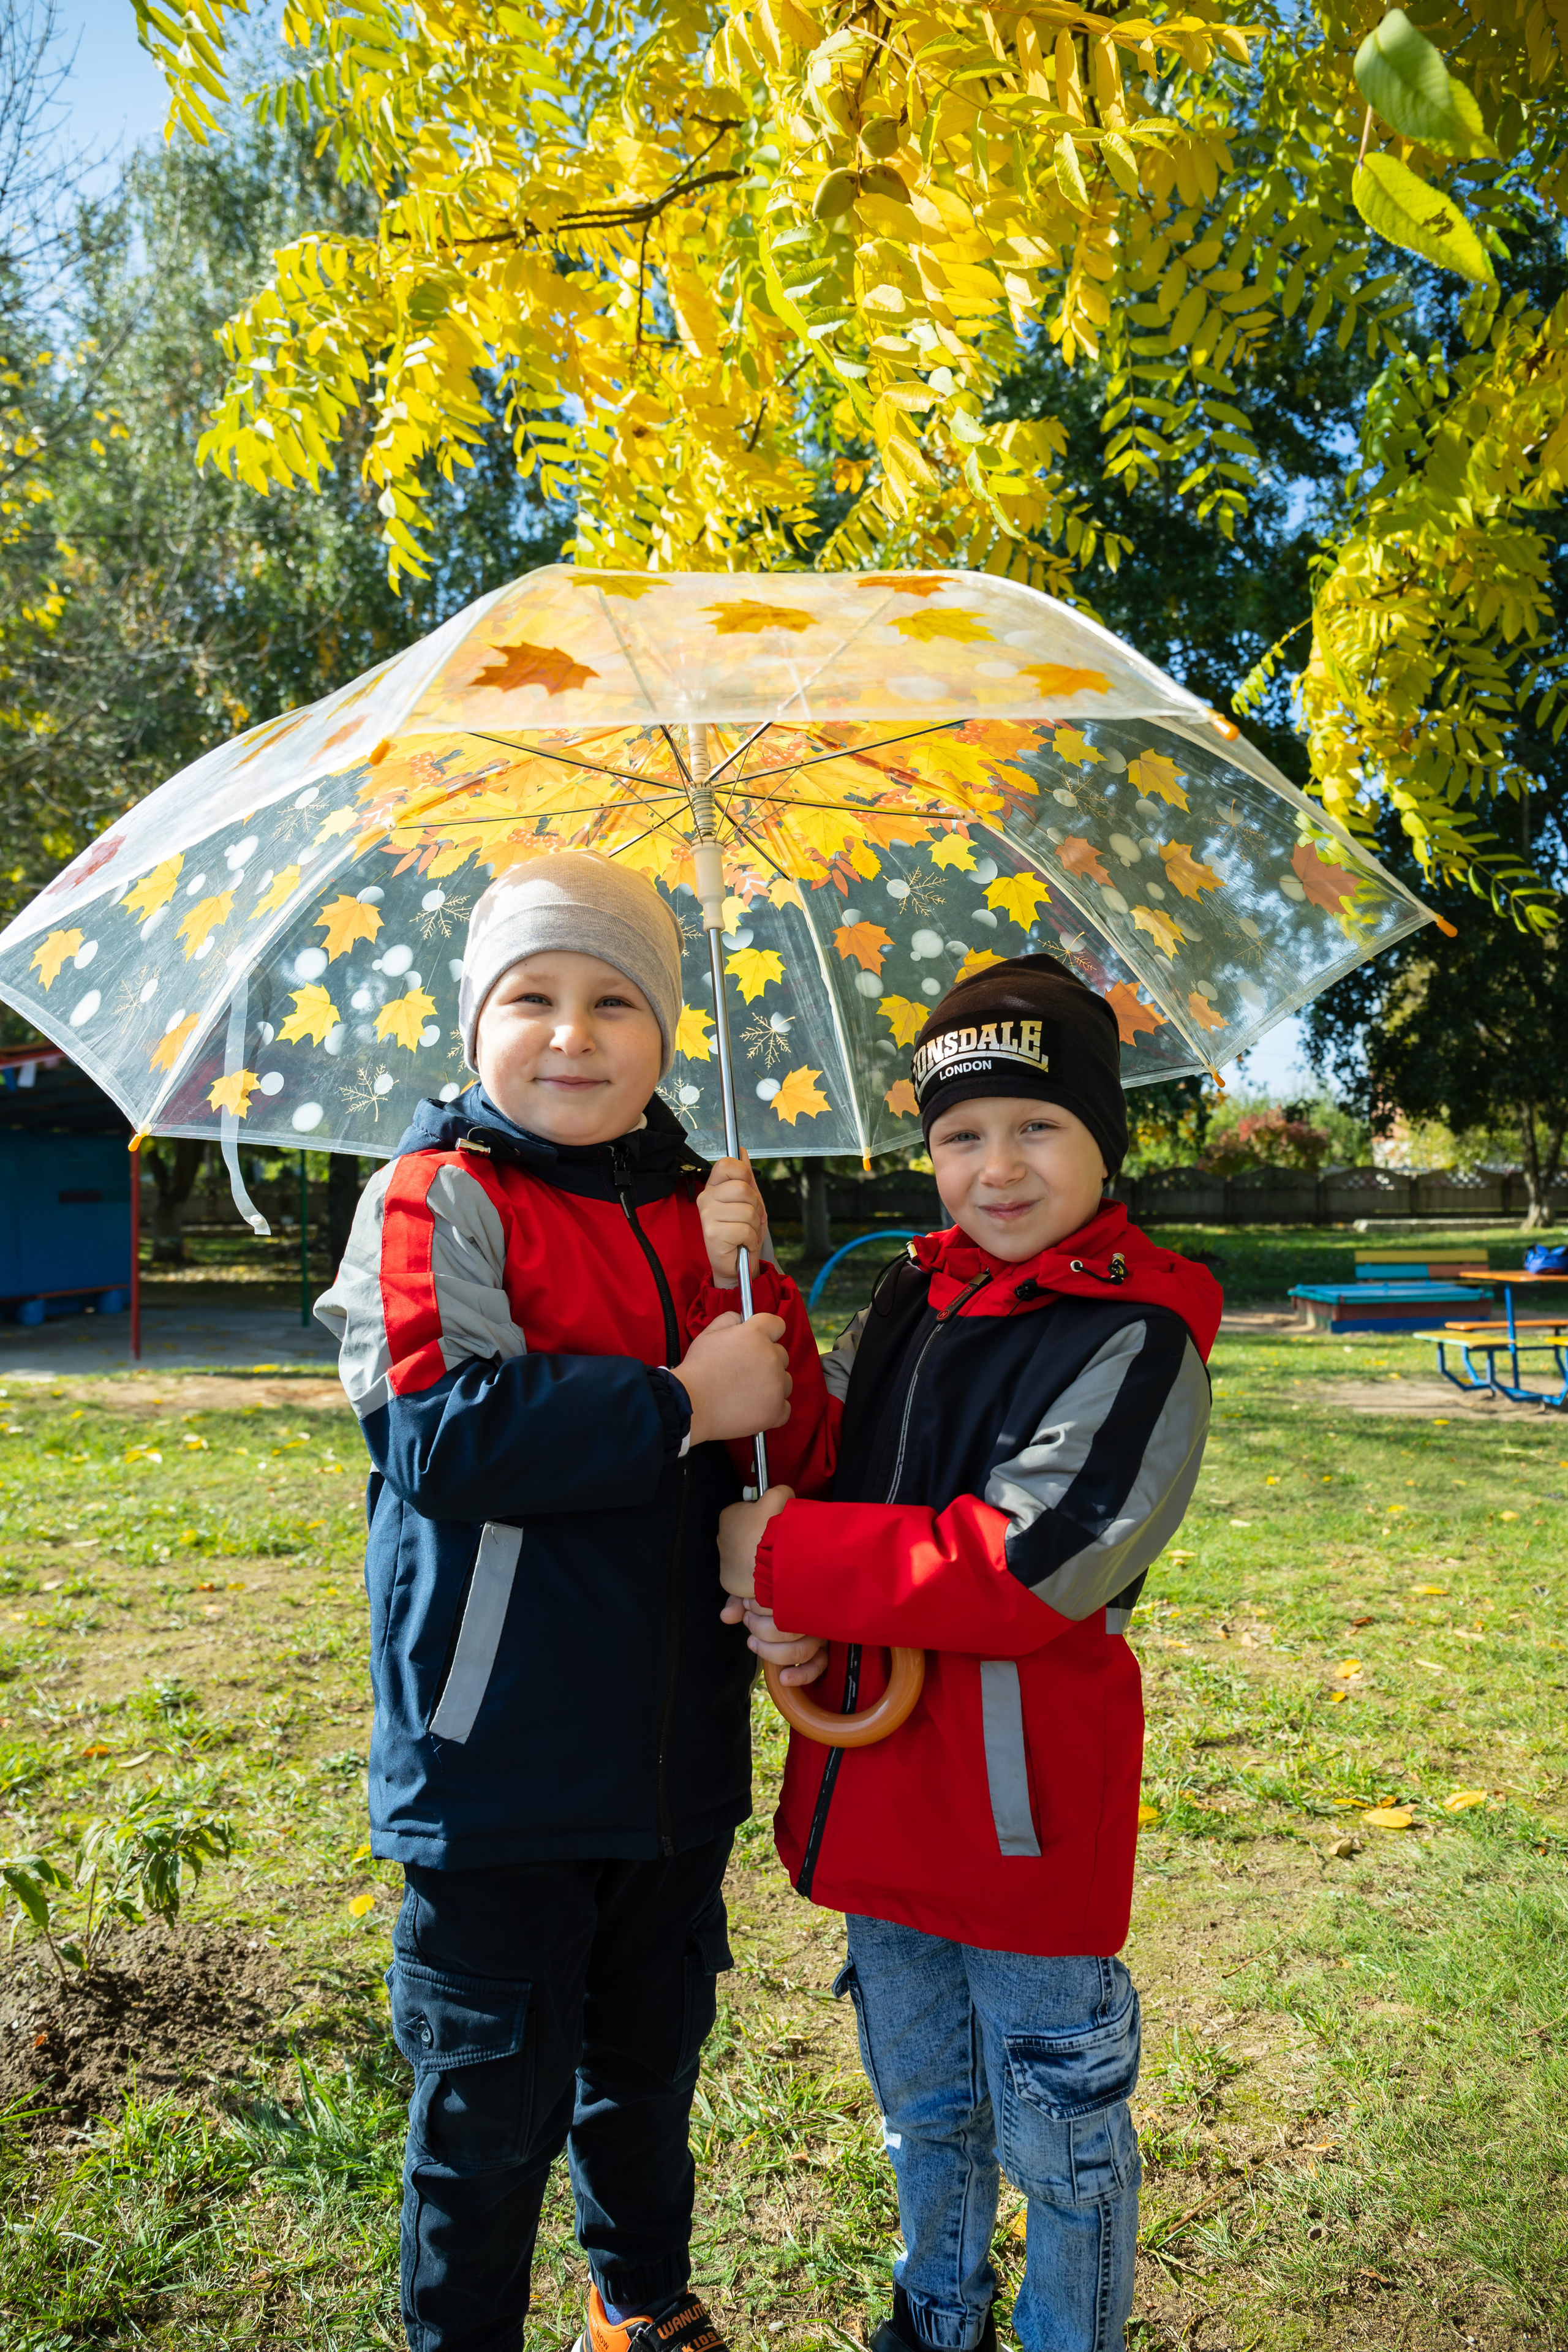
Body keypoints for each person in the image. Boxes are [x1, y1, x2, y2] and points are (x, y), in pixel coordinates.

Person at [316, 851, 833, 2352]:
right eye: (530, 997)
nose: (571, 1032)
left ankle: (641, 2299)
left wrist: (756, 1294)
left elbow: (783, 1435)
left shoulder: (701, 1210)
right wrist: (676, 1397)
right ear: (472, 1024)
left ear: (666, 1037)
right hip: (495, 1764)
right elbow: (439, 1430)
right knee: (490, 2096)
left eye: (616, 1001)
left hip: (671, 1757)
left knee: (646, 2061)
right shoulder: (437, 1198)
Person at [716, 954, 1223, 2352]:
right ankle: (937, 2315)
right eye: (958, 1136)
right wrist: (763, 1336)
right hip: (880, 1790)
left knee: (1057, 2140)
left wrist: (778, 1559)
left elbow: (1022, 1568)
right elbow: (842, 1476)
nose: (995, 1169)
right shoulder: (911, 1297)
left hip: (1019, 1825)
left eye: (1036, 1127)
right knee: (922, 2106)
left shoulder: (1138, 1331)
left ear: (1102, 1141)